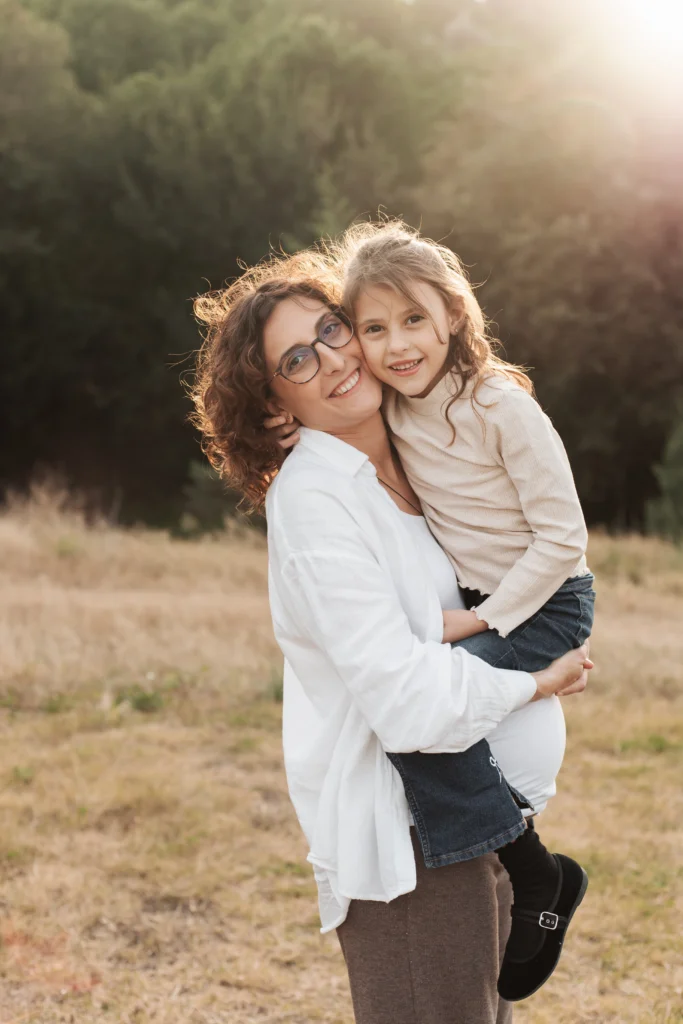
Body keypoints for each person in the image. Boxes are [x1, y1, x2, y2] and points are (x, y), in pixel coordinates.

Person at [190, 251, 592, 1024]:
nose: (337, 356)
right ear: (274, 402)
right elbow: (406, 704)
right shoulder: (317, 504)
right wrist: (534, 682)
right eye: (297, 359)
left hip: (486, 833)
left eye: (333, 329)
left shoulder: (418, 447)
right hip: (410, 852)